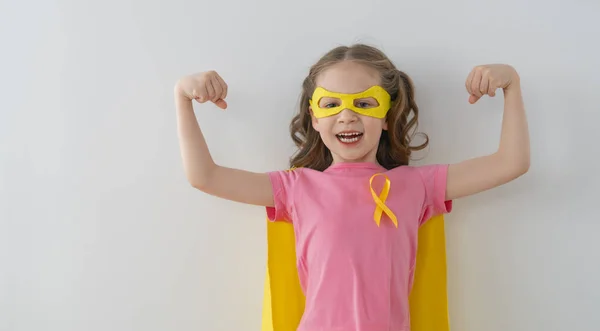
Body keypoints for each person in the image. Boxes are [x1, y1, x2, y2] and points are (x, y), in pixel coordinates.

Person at [174, 44, 530, 331]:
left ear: (388, 116)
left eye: (364, 103)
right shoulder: (297, 187)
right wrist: (182, 97)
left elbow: (510, 163)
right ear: (315, 118)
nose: (347, 116)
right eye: (331, 104)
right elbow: (205, 176)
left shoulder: (416, 185)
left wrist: (511, 84)